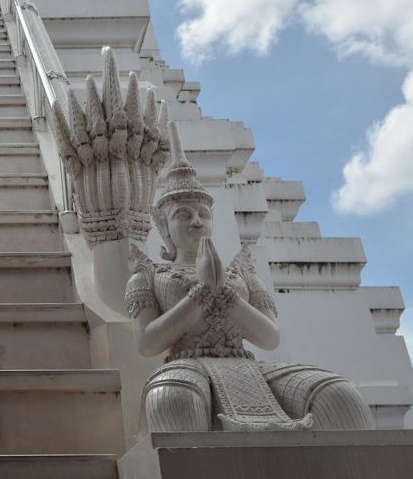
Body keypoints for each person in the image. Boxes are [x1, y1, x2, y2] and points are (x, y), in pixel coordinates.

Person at [125, 122, 374, 432]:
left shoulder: (240, 273)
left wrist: (224, 294)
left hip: (249, 365)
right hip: (185, 366)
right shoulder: (147, 276)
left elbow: (268, 337)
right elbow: (148, 342)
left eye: (203, 214)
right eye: (183, 214)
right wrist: (201, 294)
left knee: (339, 397)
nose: (196, 222)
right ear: (163, 227)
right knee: (171, 403)